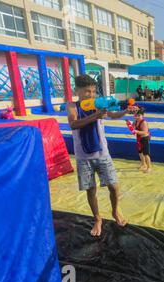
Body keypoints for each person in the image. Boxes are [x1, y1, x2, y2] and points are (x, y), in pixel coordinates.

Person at [67, 75, 130, 237]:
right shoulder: (72, 106)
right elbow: (73, 124)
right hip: (83, 157)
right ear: (77, 90)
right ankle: (97, 219)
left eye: (94, 91)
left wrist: (125, 111)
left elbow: (112, 114)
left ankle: (115, 211)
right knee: (90, 190)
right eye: (87, 91)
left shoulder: (97, 104)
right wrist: (95, 116)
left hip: (102, 154)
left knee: (114, 186)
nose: (91, 94)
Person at [133, 108, 152, 173]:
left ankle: (149, 167)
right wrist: (129, 124)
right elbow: (132, 127)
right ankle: (144, 164)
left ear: (142, 115)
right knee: (140, 152)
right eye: (136, 116)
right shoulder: (135, 121)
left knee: (146, 154)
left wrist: (136, 131)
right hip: (139, 138)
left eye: (139, 115)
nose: (137, 117)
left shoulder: (144, 122)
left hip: (144, 139)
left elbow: (145, 132)